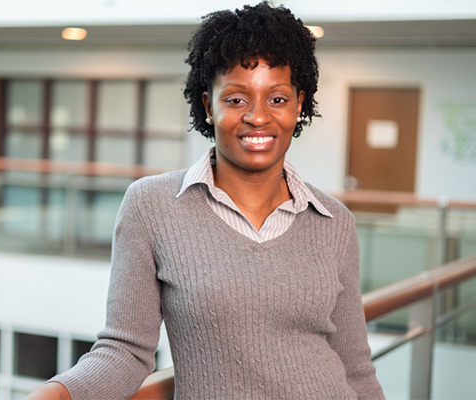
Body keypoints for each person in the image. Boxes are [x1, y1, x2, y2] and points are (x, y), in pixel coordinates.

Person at [26, 2, 385, 399]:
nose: (258, 117)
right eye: (236, 99)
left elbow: (355, 368)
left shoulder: (335, 221)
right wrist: (56, 394)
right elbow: (125, 351)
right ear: (207, 106)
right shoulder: (151, 206)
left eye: (278, 99)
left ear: (300, 104)